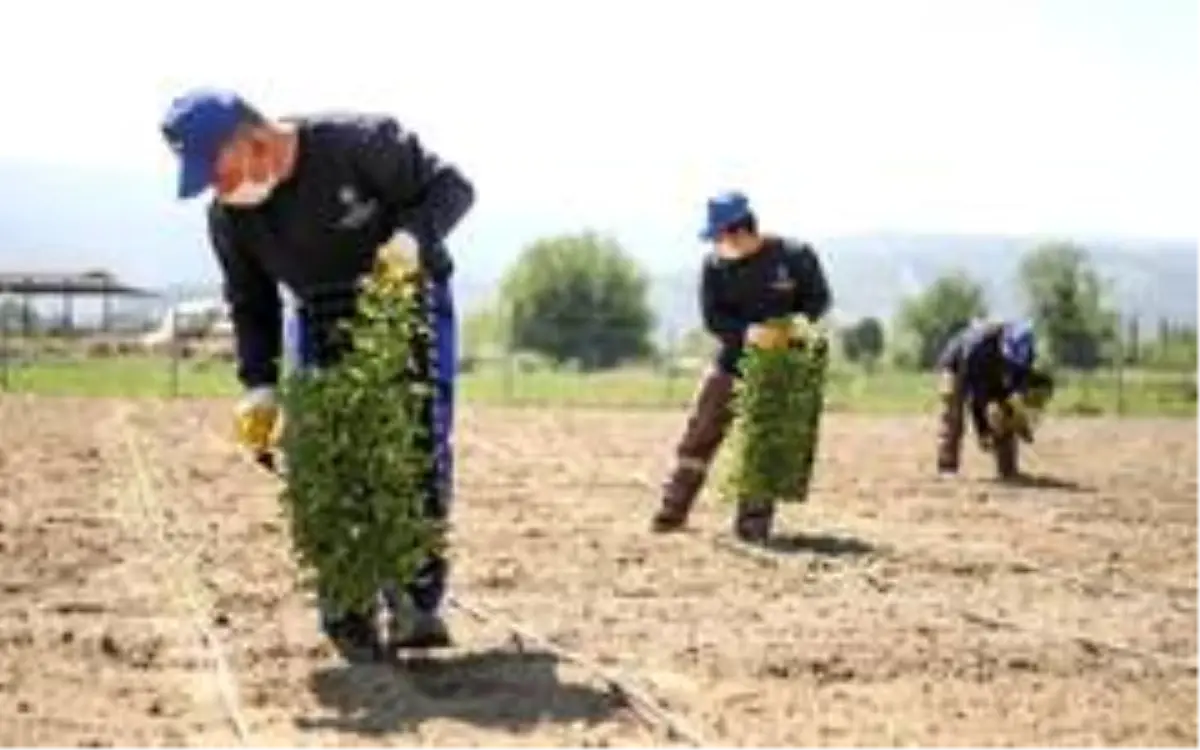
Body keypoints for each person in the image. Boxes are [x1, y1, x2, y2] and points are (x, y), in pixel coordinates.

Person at [159, 87, 475, 660]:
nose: (219, 189)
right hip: (318, 311)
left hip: (407, 301)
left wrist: (409, 240)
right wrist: (258, 385)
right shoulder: (230, 219)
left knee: (416, 444)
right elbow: (251, 301)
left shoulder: (359, 144)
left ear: (253, 140)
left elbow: (453, 188)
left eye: (218, 172)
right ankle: (346, 602)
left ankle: (416, 599)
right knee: (323, 454)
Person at [652, 191, 832, 542]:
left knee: (763, 446)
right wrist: (747, 334)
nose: (718, 245)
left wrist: (786, 330)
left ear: (739, 231)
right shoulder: (715, 266)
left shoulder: (795, 257)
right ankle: (672, 512)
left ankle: (753, 528)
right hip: (731, 362)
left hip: (781, 368)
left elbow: (818, 302)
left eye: (720, 237)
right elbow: (714, 318)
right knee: (700, 432)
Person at [935, 318, 1055, 477]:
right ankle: (947, 467)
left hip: (992, 371)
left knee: (1004, 413)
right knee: (953, 412)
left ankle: (1008, 469)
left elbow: (1017, 382)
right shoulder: (978, 347)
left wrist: (1016, 413)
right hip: (957, 366)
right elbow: (976, 397)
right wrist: (983, 430)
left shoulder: (1025, 349)